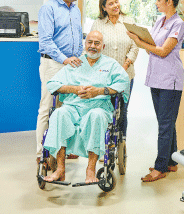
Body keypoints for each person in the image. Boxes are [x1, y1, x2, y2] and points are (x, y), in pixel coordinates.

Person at [43, 31, 130, 184]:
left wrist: (99, 91)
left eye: (97, 43)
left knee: (95, 116)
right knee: (59, 114)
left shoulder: (110, 65)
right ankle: (60, 169)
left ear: (103, 46)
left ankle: (90, 170)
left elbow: (123, 83)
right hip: (73, 107)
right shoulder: (75, 64)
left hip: (99, 107)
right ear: (85, 44)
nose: (93, 46)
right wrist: (73, 89)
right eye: (90, 42)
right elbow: (52, 84)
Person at [127, 0, 184, 182]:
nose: (156, 3)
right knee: (165, 121)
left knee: (165, 124)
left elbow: (162, 51)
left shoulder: (178, 24)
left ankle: (160, 167)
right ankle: (171, 161)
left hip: (170, 80)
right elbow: (152, 47)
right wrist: (143, 42)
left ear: (169, 2)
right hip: (156, 78)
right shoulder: (160, 21)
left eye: (159, 0)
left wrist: (138, 41)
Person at [36, 0, 83, 163]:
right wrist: (65, 59)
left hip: (71, 64)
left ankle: (63, 150)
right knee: (47, 108)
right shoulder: (48, 8)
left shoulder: (76, 10)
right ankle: (41, 154)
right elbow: (46, 41)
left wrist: (78, 56)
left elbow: (79, 37)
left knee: (67, 108)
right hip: (54, 64)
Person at [90, 0, 138, 138]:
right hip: (103, 76)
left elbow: (135, 46)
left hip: (125, 75)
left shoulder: (128, 22)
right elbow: (92, 47)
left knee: (122, 110)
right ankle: (103, 146)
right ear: (103, 7)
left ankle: (121, 144)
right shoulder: (98, 24)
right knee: (103, 109)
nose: (115, 5)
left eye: (116, 2)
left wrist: (125, 65)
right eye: (110, 4)